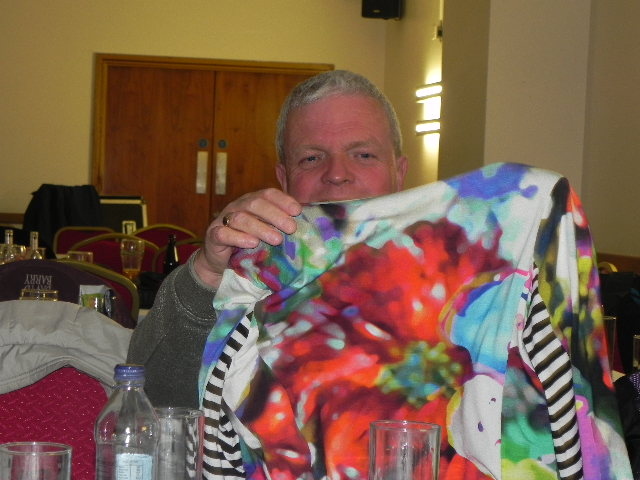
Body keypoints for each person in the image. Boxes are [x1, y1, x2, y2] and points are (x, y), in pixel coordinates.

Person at [127, 69, 408, 408]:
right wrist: (209, 275)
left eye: (363, 155)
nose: (336, 174)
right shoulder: (253, 276)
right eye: (311, 158)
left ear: (399, 173)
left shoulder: (458, 282)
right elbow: (147, 395)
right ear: (284, 179)